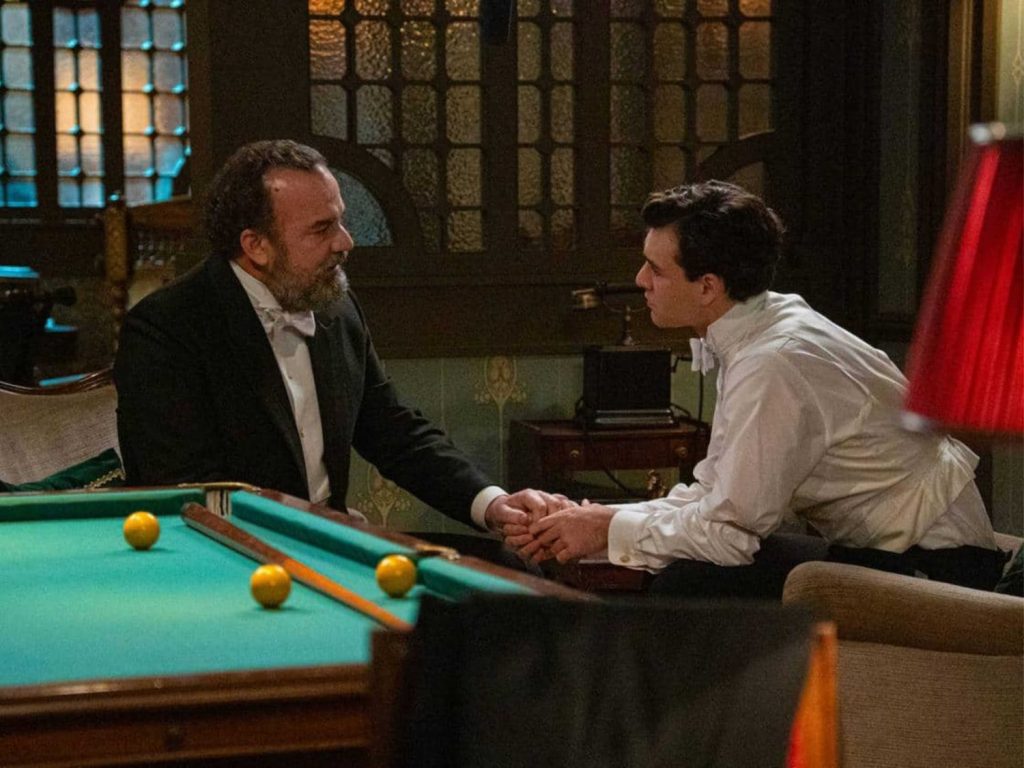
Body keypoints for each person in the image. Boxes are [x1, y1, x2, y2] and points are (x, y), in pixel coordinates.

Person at [507, 181, 1005, 595]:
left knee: (689, 582)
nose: (640, 281)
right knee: (681, 567)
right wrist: (599, 516)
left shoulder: (773, 362)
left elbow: (730, 535)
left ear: (708, 286)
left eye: (656, 270)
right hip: (892, 553)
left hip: (936, 571)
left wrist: (604, 529)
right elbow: (716, 497)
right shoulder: (761, 324)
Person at [114, 139, 561, 554]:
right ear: (256, 246)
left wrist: (491, 504)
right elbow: (192, 493)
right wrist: (328, 530)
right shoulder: (166, 328)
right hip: (235, 560)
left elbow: (393, 430)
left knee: (510, 572)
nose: (346, 242)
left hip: (333, 543)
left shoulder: (332, 304)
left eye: (340, 221)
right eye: (322, 229)